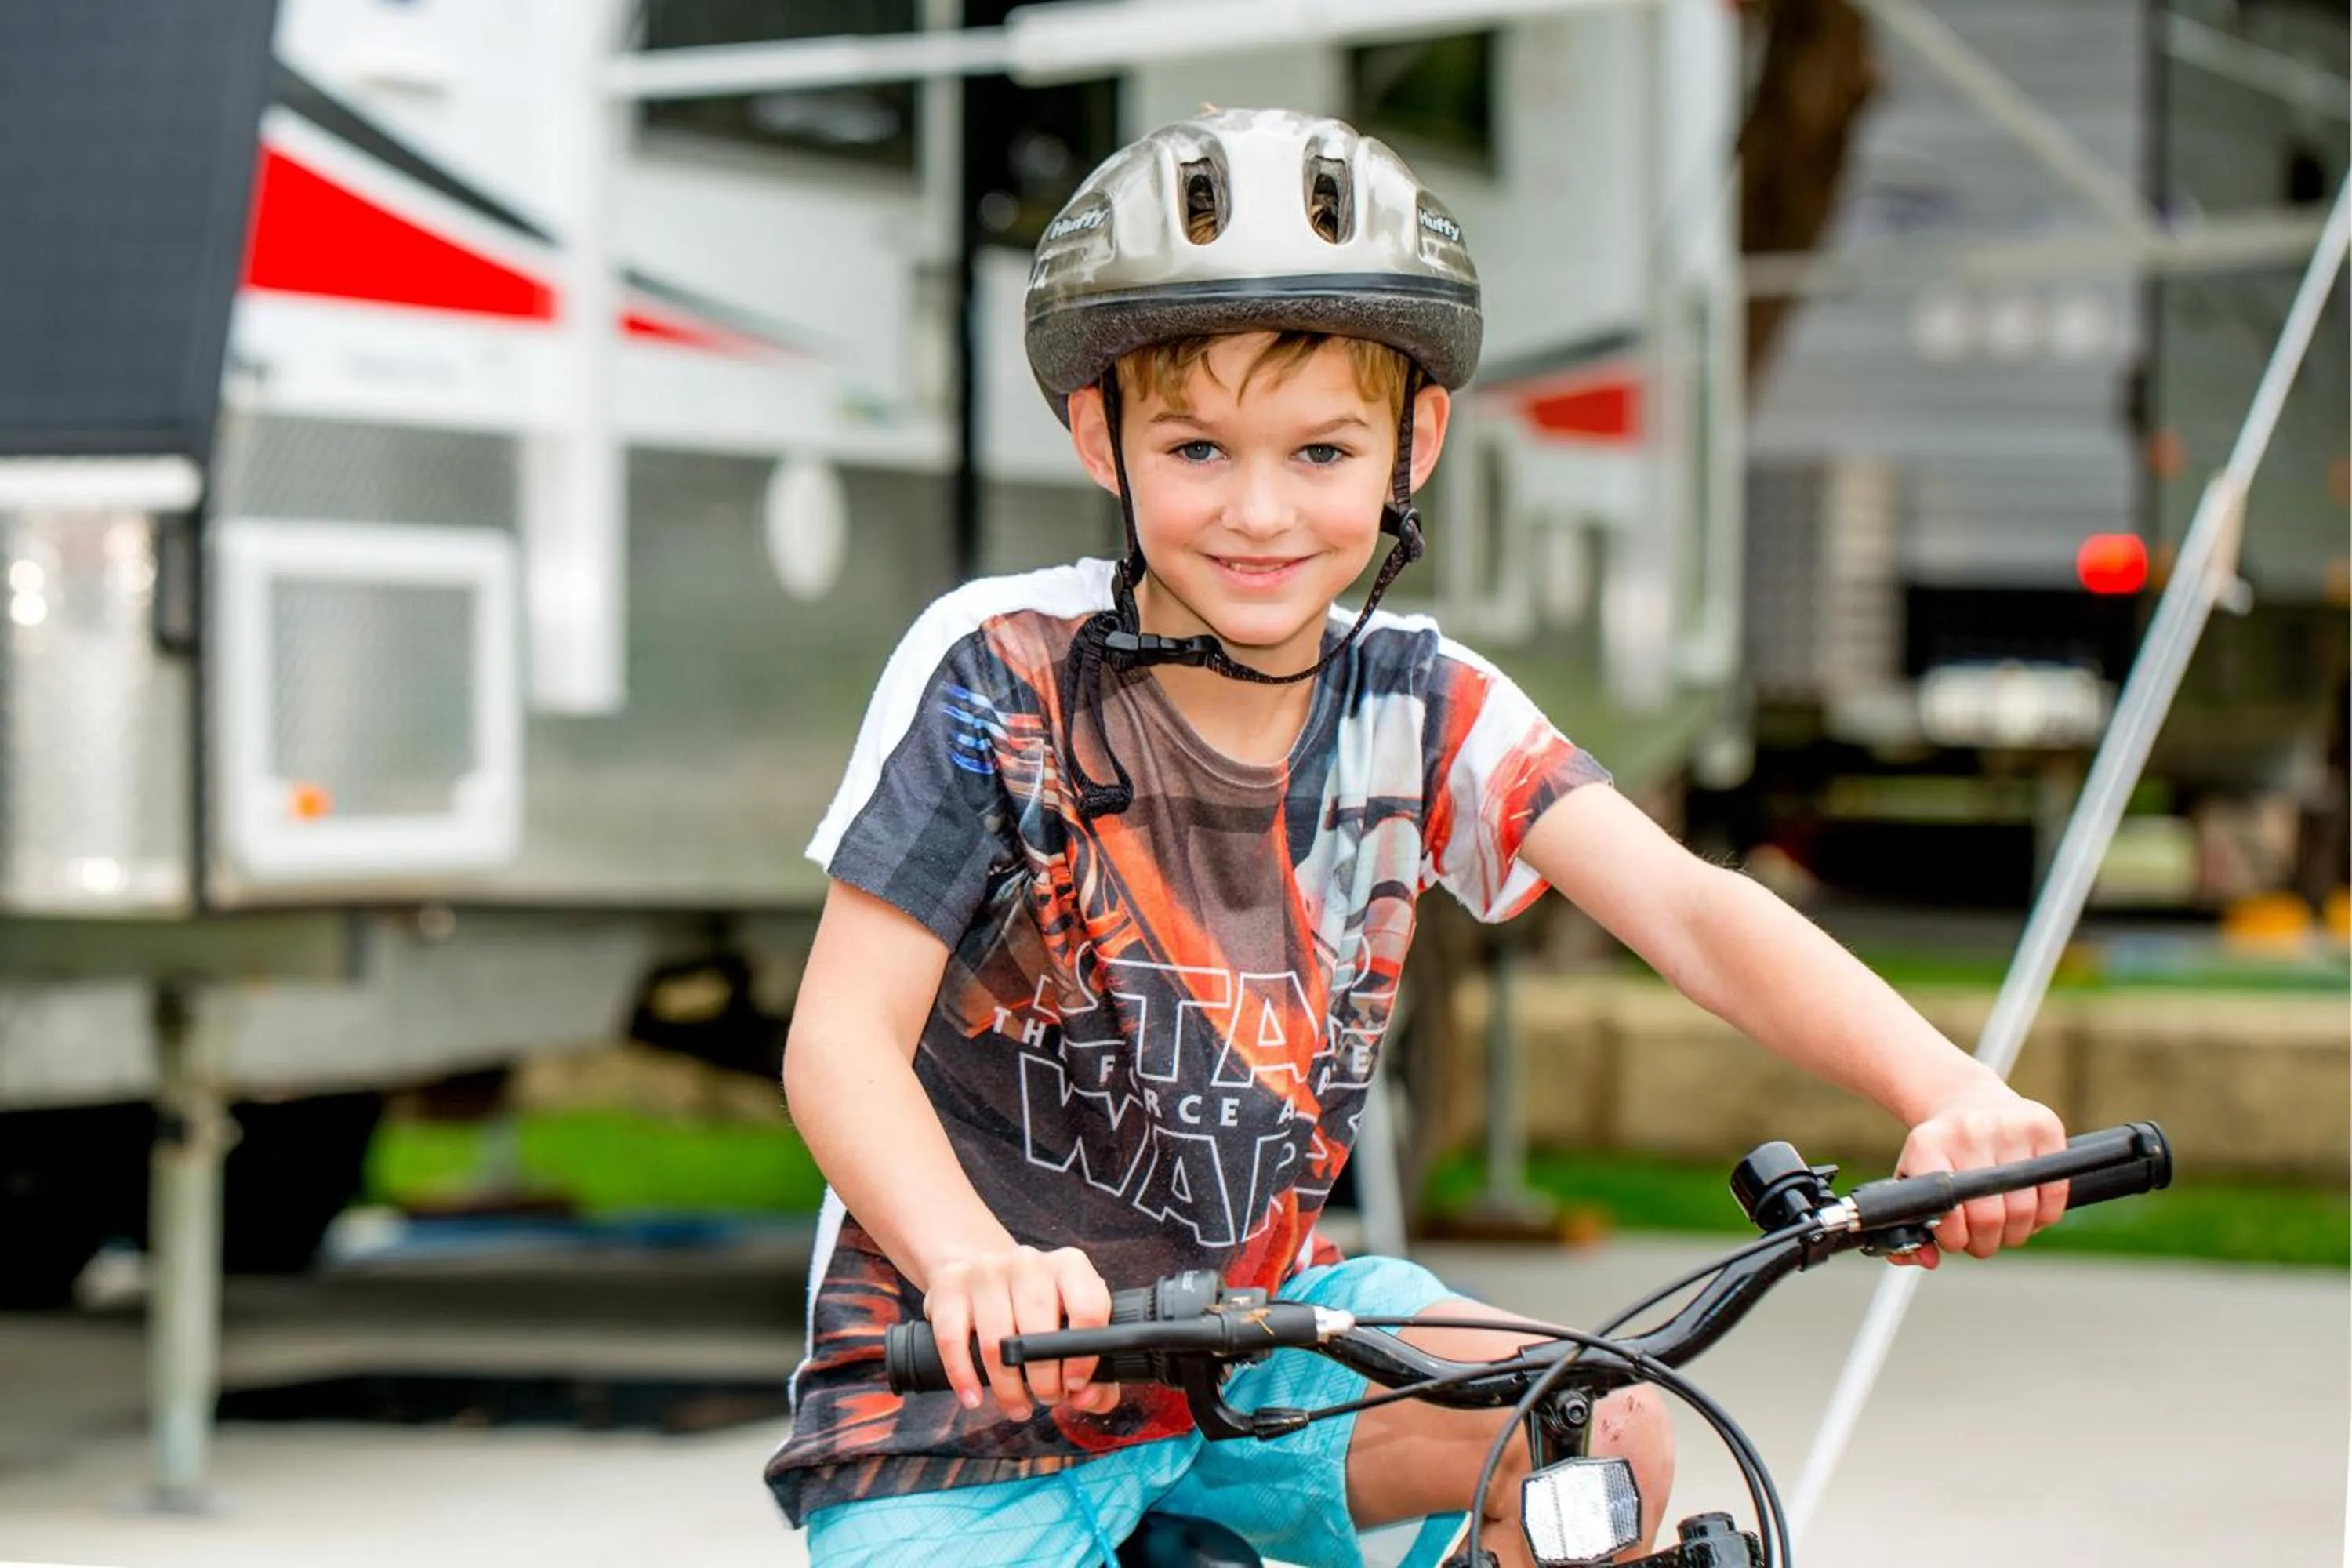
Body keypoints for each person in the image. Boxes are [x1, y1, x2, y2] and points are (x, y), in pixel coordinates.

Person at [768, 107, 2068, 1568]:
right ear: (1100, 437)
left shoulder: (1422, 703)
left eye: (1321, 450)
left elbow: (1694, 912)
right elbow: (839, 1042)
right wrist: (972, 1264)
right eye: (1196, 447)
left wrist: (1946, 1088)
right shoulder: (1002, 673)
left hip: (1253, 1361)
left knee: (1594, 1428)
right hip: (963, 1416)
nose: (1260, 513)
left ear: (1414, 444)